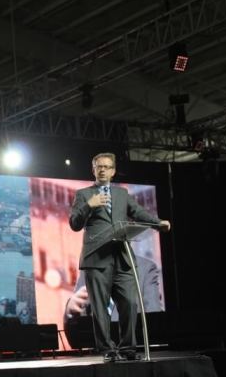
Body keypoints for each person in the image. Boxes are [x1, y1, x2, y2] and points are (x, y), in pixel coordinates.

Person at [68, 152, 170, 362]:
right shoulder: (84, 194)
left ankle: (128, 348)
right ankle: (108, 350)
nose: (103, 170)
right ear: (93, 169)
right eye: (99, 166)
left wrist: (157, 223)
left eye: (107, 166)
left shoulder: (122, 194)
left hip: (122, 257)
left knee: (129, 304)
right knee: (100, 309)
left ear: (113, 171)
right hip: (96, 260)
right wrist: (90, 205)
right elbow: (74, 224)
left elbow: (138, 212)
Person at [63, 255, 163, 347]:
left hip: (134, 355)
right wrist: (70, 309)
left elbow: (154, 321)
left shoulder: (145, 268)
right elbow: (76, 325)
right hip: (96, 355)